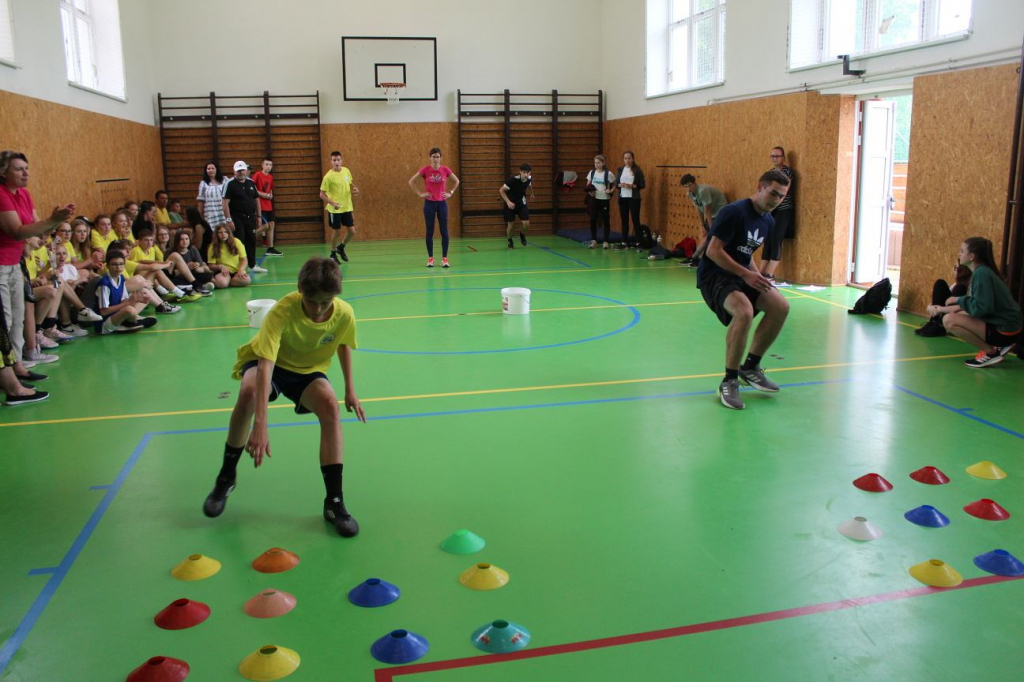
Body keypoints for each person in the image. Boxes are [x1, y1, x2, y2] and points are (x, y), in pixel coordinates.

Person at [201, 256, 366, 538]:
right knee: (250, 391)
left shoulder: (344, 313)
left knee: (330, 405)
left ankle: (334, 502)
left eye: (325, 302)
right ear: (300, 290)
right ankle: (226, 477)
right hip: (272, 364)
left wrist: (350, 389)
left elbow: (343, 344)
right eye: (311, 301)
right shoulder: (282, 311)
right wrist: (261, 424)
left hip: (307, 370)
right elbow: (266, 365)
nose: (317, 309)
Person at [697, 169, 792, 410]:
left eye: (781, 196)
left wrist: (757, 276)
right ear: (760, 187)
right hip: (715, 275)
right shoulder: (735, 212)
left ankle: (750, 367)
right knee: (744, 312)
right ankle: (729, 380)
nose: (776, 200)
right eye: (773, 193)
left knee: (780, 306)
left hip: (740, 273)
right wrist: (746, 275)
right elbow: (713, 251)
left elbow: (745, 252)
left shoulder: (768, 221)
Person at [0, 150, 76, 390]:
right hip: (1, 264)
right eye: (18, 169)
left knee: (17, 317)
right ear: (3, 172)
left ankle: (17, 365)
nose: (25, 173)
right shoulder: (1, 195)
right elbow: (17, 231)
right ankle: (6, 374)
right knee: (5, 320)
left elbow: (37, 226)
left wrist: (56, 220)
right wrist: (49, 221)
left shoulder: (24, 194)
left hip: (15, 263)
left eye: (27, 168)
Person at [928, 237, 1022, 368]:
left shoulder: (981, 274)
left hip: (1005, 330)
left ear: (971, 256)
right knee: (955, 315)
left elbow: (981, 308)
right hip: (1010, 327)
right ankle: (999, 346)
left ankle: (991, 352)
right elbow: (971, 306)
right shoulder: (982, 272)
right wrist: (940, 309)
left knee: (949, 321)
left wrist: (958, 300)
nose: (959, 254)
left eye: (962, 251)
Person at [408, 147, 459, 268]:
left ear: (440, 158)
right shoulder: (425, 170)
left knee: (444, 231)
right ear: (430, 158)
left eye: (438, 157)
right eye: (433, 156)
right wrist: (420, 193)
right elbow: (411, 181)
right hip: (429, 204)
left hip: (442, 204)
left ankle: (444, 259)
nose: (436, 159)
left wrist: (450, 192)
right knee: (429, 231)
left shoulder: (445, 170)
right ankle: (430, 258)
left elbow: (456, 181)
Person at [93, 250, 157, 334]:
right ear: (107, 266)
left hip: (117, 314)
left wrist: (136, 300)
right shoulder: (105, 284)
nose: (118, 267)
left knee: (145, 298)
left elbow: (124, 300)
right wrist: (128, 303)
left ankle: (129, 322)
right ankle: (134, 322)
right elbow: (104, 311)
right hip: (104, 324)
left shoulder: (121, 278)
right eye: (114, 264)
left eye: (121, 264)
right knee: (129, 310)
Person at [759, 147, 796, 284]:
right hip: (771, 210)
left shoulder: (786, 172)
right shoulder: (770, 173)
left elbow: (783, 192)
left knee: (776, 240)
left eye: (777, 156)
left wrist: (774, 204)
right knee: (768, 240)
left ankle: (770, 274)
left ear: (783, 158)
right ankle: (761, 272)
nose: (775, 158)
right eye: (772, 156)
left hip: (783, 211)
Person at [224, 161, 266, 274]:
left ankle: (252, 264)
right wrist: (229, 219)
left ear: (246, 170)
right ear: (234, 171)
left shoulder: (251, 183)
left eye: (243, 170)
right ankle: (238, 266)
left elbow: (256, 200)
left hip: (250, 217)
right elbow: (225, 203)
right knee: (239, 241)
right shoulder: (230, 184)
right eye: (239, 171)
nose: (241, 172)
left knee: (251, 240)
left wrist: (259, 216)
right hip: (237, 217)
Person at [319, 151, 359, 264]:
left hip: (347, 207)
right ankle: (332, 254)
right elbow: (321, 194)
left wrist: (355, 188)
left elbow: (350, 184)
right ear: (331, 162)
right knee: (337, 233)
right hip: (335, 210)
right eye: (334, 160)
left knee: (352, 231)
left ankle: (340, 248)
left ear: (342, 160)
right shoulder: (328, 177)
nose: (336, 162)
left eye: (338, 160)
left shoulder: (346, 171)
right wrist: (332, 203)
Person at [680, 174, 728, 264]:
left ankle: (702, 259)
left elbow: (707, 209)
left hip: (720, 211)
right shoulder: (689, 194)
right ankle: (694, 257)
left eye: (690, 185)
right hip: (712, 213)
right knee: (705, 234)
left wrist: (712, 227)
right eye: (685, 187)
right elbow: (699, 208)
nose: (688, 189)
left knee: (712, 236)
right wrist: (702, 225)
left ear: (694, 183)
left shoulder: (702, 191)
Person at [915, 264, 971, 337]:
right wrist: (931, 308)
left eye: (957, 269)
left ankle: (940, 325)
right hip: (949, 310)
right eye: (955, 268)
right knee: (940, 283)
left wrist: (940, 309)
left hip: (961, 312)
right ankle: (934, 321)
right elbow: (941, 299)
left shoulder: (968, 286)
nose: (954, 271)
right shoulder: (954, 285)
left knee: (960, 288)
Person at [499, 164, 534, 249]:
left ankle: (522, 234)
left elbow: (529, 185)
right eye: (524, 172)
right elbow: (501, 190)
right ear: (520, 172)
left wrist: (531, 193)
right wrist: (508, 202)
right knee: (511, 224)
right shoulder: (513, 180)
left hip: (521, 203)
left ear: (529, 173)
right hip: (510, 204)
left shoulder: (529, 178)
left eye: (527, 173)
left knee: (526, 223)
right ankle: (509, 240)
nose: (526, 174)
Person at [252, 158, 282, 257]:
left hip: (268, 204)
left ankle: (270, 248)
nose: (268, 166)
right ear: (262, 165)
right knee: (265, 226)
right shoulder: (257, 175)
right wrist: (263, 194)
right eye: (267, 164)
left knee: (272, 224)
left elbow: (270, 189)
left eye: (270, 165)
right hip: (260, 204)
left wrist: (270, 195)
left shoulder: (270, 177)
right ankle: (249, 238)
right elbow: (252, 188)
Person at [616, 151, 645, 249]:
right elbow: (616, 184)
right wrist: (620, 185)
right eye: (625, 158)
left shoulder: (637, 170)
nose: (627, 160)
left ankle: (639, 242)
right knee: (624, 220)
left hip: (634, 199)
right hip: (623, 198)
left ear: (633, 159)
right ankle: (624, 242)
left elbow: (642, 185)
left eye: (629, 158)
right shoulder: (620, 169)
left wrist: (631, 186)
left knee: (635, 220)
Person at [207, 224, 251, 288]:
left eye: (225, 232)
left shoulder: (236, 242)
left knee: (247, 280)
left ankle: (226, 282)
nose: (223, 234)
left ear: (229, 233)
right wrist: (220, 266)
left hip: (236, 271)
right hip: (223, 272)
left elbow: (244, 259)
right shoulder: (213, 246)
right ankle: (210, 280)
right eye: (220, 232)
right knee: (222, 283)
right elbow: (211, 265)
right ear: (216, 234)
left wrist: (241, 269)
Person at [586, 155, 615, 249]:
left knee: (605, 220)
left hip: (604, 199)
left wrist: (610, 190)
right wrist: (590, 191)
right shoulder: (592, 173)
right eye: (595, 163)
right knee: (593, 219)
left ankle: (606, 241)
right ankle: (594, 240)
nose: (597, 164)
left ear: (603, 163)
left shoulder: (608, 173)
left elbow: (614, 184)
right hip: (594, 199)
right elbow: (588, 184)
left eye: (599, 163)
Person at [197, 163, 229, 240]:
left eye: (212, 168)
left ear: (216, 169)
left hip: (223, 212)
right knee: (212, 235)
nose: (210, 170)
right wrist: (200, 217)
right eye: (208, 169)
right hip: (210, 214)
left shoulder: (225, 180)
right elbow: (201, 201)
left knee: (225, 233)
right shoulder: (203, 183)